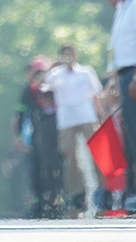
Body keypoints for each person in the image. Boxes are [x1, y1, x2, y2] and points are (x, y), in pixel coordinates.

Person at [42, 44, 104, 212]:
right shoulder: (56, 75)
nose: (68, 57)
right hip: (66, 120)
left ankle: (103, 189)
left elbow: (95, 94)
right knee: (70, 156)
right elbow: (43, 86)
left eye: (70, 54)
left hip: (86, 116)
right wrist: (53, 66)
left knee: (96, 152)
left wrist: (101, 115)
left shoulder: (86, 72)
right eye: (65, 54)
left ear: (76, 55)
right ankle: (77, 193)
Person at [13, 55, 63, 218]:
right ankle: (39, 197)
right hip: (36, 133)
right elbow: (20, 114)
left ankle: (58, 195)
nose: (40, 77)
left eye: (43, 73)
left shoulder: (55, 87)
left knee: (57, 163)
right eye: (36, 73)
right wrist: (19, 136)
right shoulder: (28, 90)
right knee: (36, 165)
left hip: (57, 131)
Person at [106, 0, 136, 208]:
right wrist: (113, 79)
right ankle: (132, 192)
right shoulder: (122, 7)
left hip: (135, 74)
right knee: (130, 134)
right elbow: (117, 47)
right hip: (124, 74)